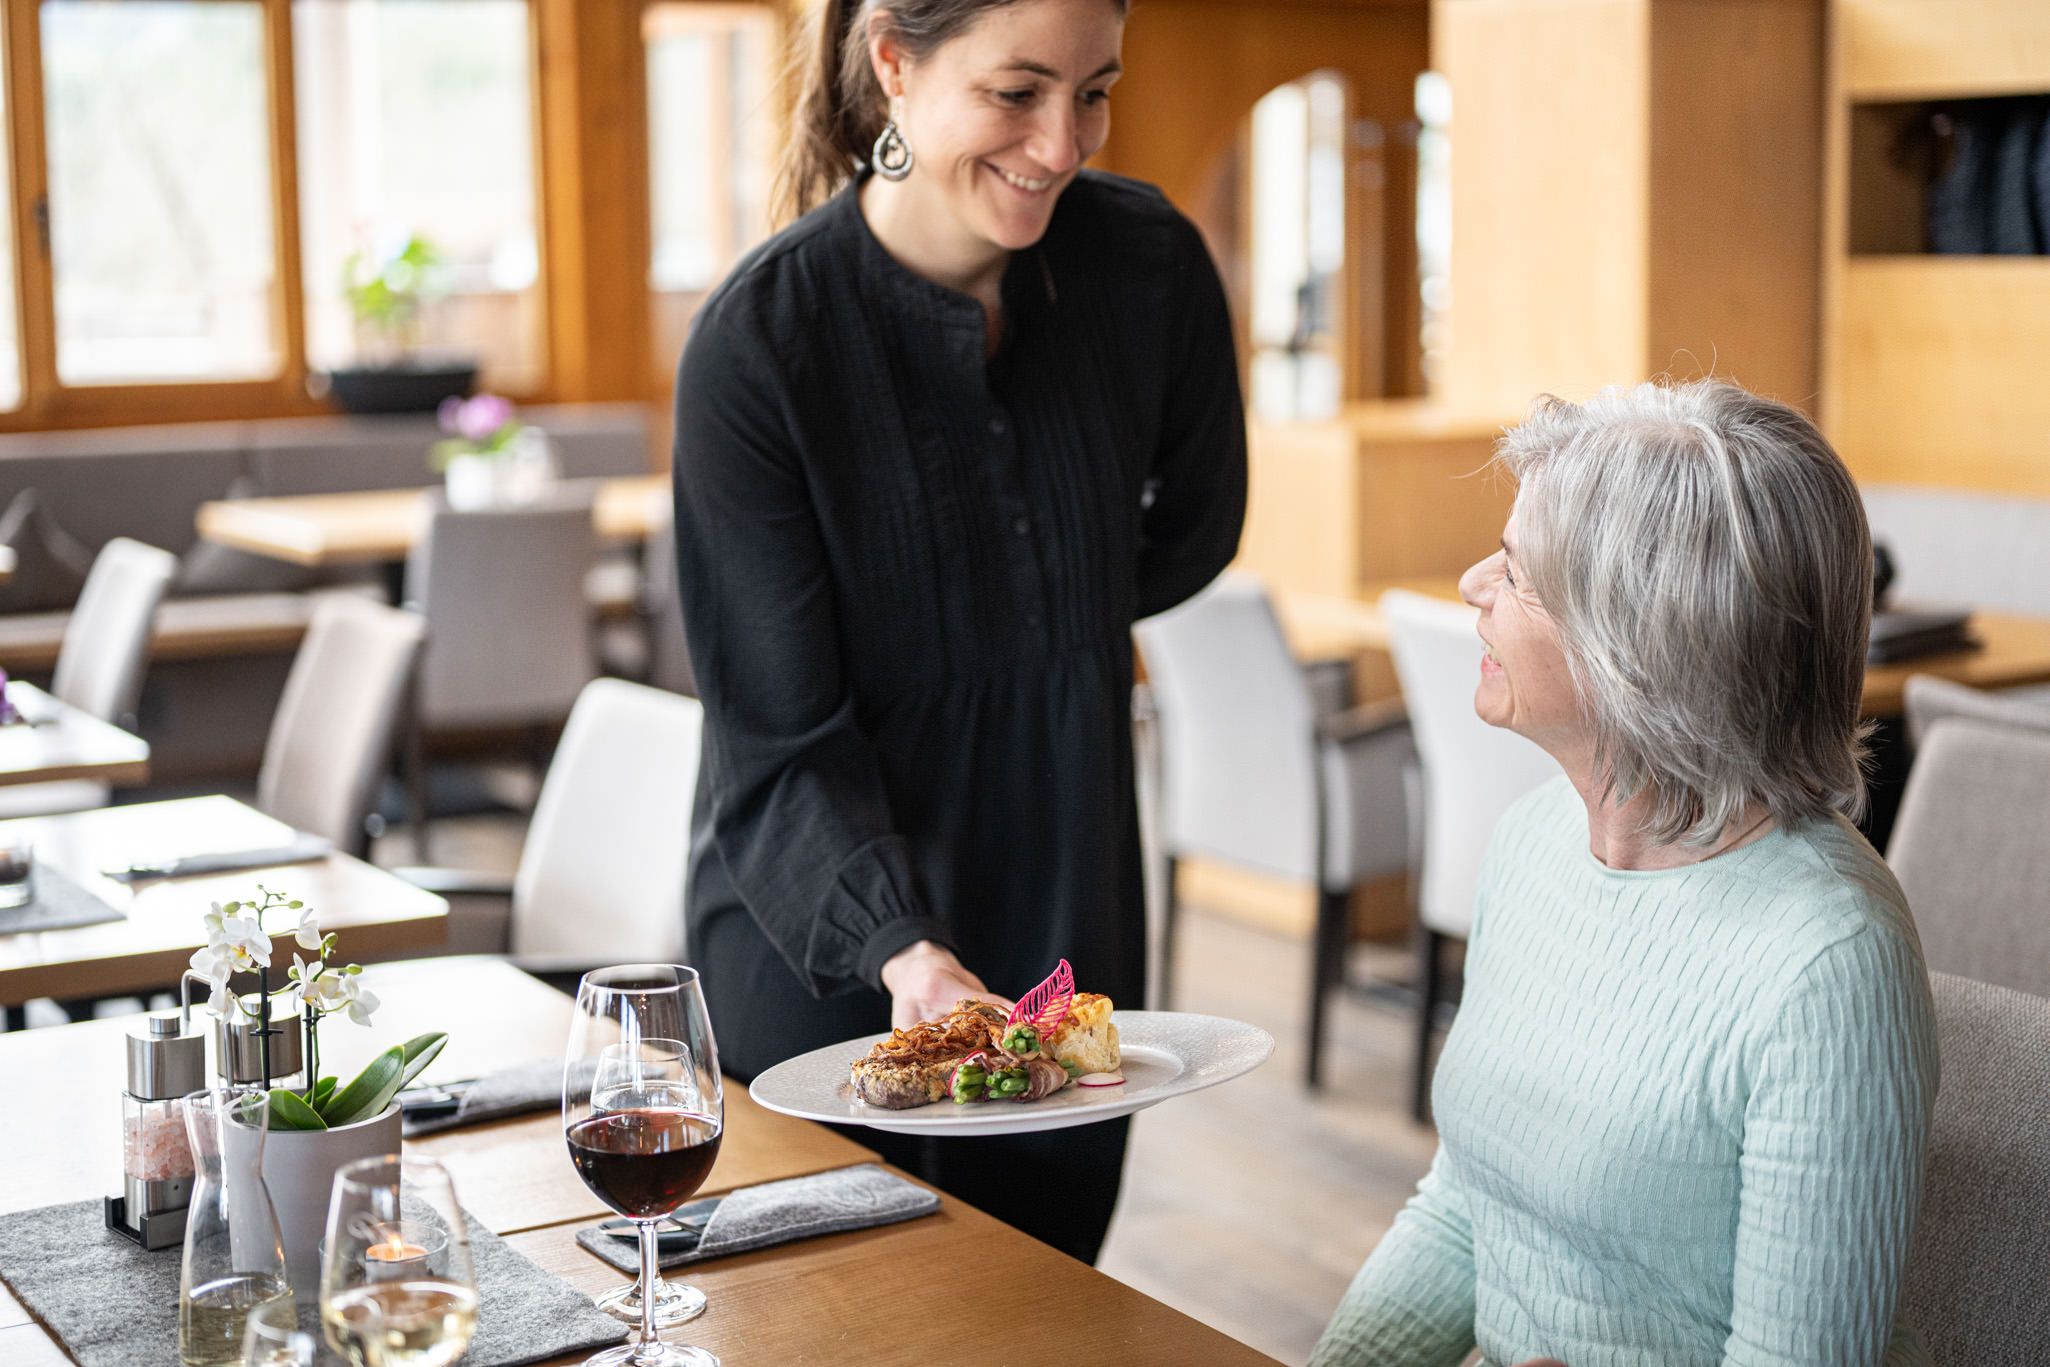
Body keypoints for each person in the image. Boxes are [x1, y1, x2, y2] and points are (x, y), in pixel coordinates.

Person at [671, 0, 1245, 1264]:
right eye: (1015, 91)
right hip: (822, 934)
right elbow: (780, 734)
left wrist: (1031, 626)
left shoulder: (1148, 268)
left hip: (1062, 884)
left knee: (1040, 1307)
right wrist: (903, 949)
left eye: (1094, 90)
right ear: (893, 60)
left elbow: (1199, 526)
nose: (1061, 143)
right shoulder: (762, 346)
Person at [1312, 380, 1938, 1365]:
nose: (1474, 583)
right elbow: (1464, 1209)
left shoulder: (1829, 963)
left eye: (1515, 574)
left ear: (1634, 648)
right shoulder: (1530, 841)